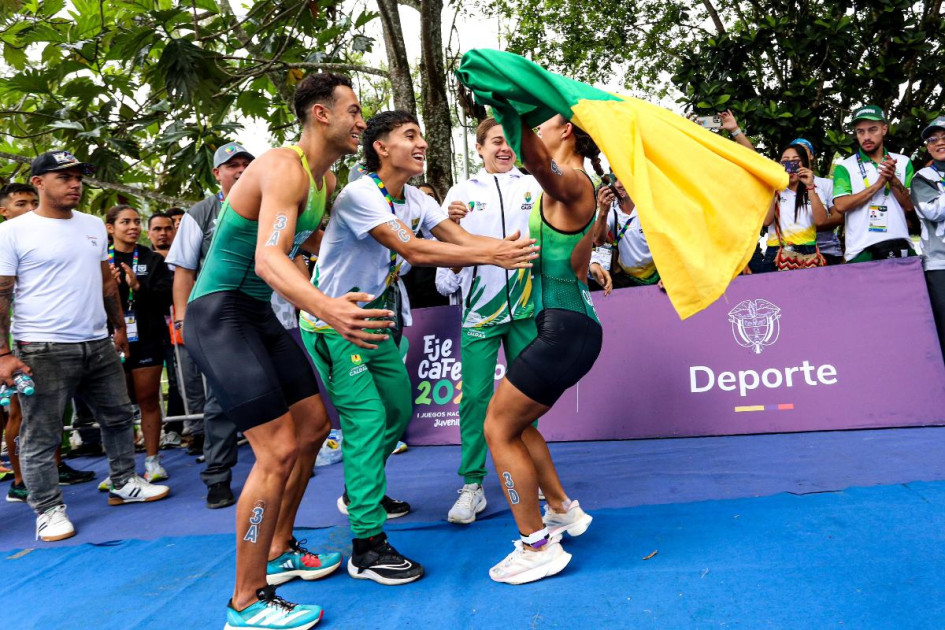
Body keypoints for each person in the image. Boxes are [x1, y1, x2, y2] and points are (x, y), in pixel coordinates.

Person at [183, 73, 398, 629]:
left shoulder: (324, 184)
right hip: (220, 313)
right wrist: (329, 310)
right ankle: (246, 601)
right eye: (353, 110)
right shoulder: (282, 166)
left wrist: (339, 296)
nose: (361, 121)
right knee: (276, 449)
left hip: (257, 315)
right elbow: (268, 260)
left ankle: (278, 549)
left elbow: (307, 255)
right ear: (321, 115)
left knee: (310, 428)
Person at [298, 110, 538, 586]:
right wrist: (493, 253)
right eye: (410, 135)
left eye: (422, 135)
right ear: (381, 147)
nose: (422, 142)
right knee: (367, 422)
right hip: (333, 325)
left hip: (375, 323)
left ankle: (360, 488)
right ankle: (366, 546)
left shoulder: (412, 197)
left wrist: (500, 248)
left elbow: (458, 238)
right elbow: (415, 250)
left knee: (397, 411)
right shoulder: (360, 195)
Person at [0, 150, 169, 542]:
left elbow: (106, 282)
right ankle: (47, 509)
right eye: (64, 177)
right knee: (41, 433)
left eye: (78, 176)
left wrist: (118, 328)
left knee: (117, 417)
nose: (75, 183)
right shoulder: (13, 232)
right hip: (42, 347)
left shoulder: (93, 225)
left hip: (97, 342)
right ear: (39, 182)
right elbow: (2, 295)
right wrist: (4, 355)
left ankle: (124, 482)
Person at [482, 115, 601, 585]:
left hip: (565, 332)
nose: (532, 131)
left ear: (567, 130)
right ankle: (561, 511)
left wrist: (505, 107)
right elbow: (575, 259)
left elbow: (532, 157)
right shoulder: (569, 189)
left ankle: (536, 546)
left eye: (542, 122)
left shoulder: (569, 180)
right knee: (517, 421)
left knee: (498, 426)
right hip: (567, 324)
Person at [433, 117, 543, 525]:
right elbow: (445, 279)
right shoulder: (460, 194)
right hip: (480, 311)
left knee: (527, 401)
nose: (504, 148)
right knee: (477, 399)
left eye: (509, 141)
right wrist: (453, 229)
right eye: (495, 142)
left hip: (527, 311)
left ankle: (537, 480)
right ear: (478, 148)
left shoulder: (533, 186)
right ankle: (472, 485)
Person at [166, 141, 255, 507]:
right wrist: (183, 319)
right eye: (231, 165)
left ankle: (282, 462)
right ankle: (217, 477)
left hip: (267, 316)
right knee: (221, 401)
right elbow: (184, 270)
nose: (241, 170)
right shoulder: (200, 213)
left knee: (280, 396)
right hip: (220, 321)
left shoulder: (273, 206)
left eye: (246, 164)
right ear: (217, 173)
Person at [103, 205, 174, 483]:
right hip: (108, 340)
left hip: (147, 338)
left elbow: (165, 297)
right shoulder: (97, 259)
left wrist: (137, 287)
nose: (132, 227)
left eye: (136, 222)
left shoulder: (150, 258)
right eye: (125, 222)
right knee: (115, 406)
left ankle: (153, 461)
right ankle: (120, 469)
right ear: (110, 228)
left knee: (148, 399)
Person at [833, 105, 916, 262]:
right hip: (861, 250)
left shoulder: (903, 162)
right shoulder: (844, 167)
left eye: (873, 130)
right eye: (860, 131)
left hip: (900, 243)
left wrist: (893, 179)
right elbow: (841, 205)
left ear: (884, 129)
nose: (866, 137)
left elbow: (910, 205)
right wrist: (878, 185)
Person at [760, 144, 830, 271]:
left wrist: (810, 186)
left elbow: (821, 221)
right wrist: (774, 186)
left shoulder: (815, 191)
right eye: (785, 161)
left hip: (808, 252)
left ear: (804, 164)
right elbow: (766, 221)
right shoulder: (773, 190)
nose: (790, 166)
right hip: (777, 252)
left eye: (795, 161)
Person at [911, 116, 945, 361]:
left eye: (944, 137)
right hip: (939, 266)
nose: (939, 143)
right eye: (933, 139)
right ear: (927, 146)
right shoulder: (923, 177)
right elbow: (932, 211)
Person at [593, 176, 659, 287]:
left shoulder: (648, 207)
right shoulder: (611, 211)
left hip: (658, 276)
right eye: (616, 180)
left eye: (624, 179)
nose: (618, 185)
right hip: (628, 279)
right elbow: (598, 240)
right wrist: (603, 211)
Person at [791, 138, 844, 265]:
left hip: (827, 251)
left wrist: (809, 226)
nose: (800, 154)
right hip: (792, 253)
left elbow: (839, 217)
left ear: (811, 156)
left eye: (804, 150)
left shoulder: (826, 184)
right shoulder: (783, 186)